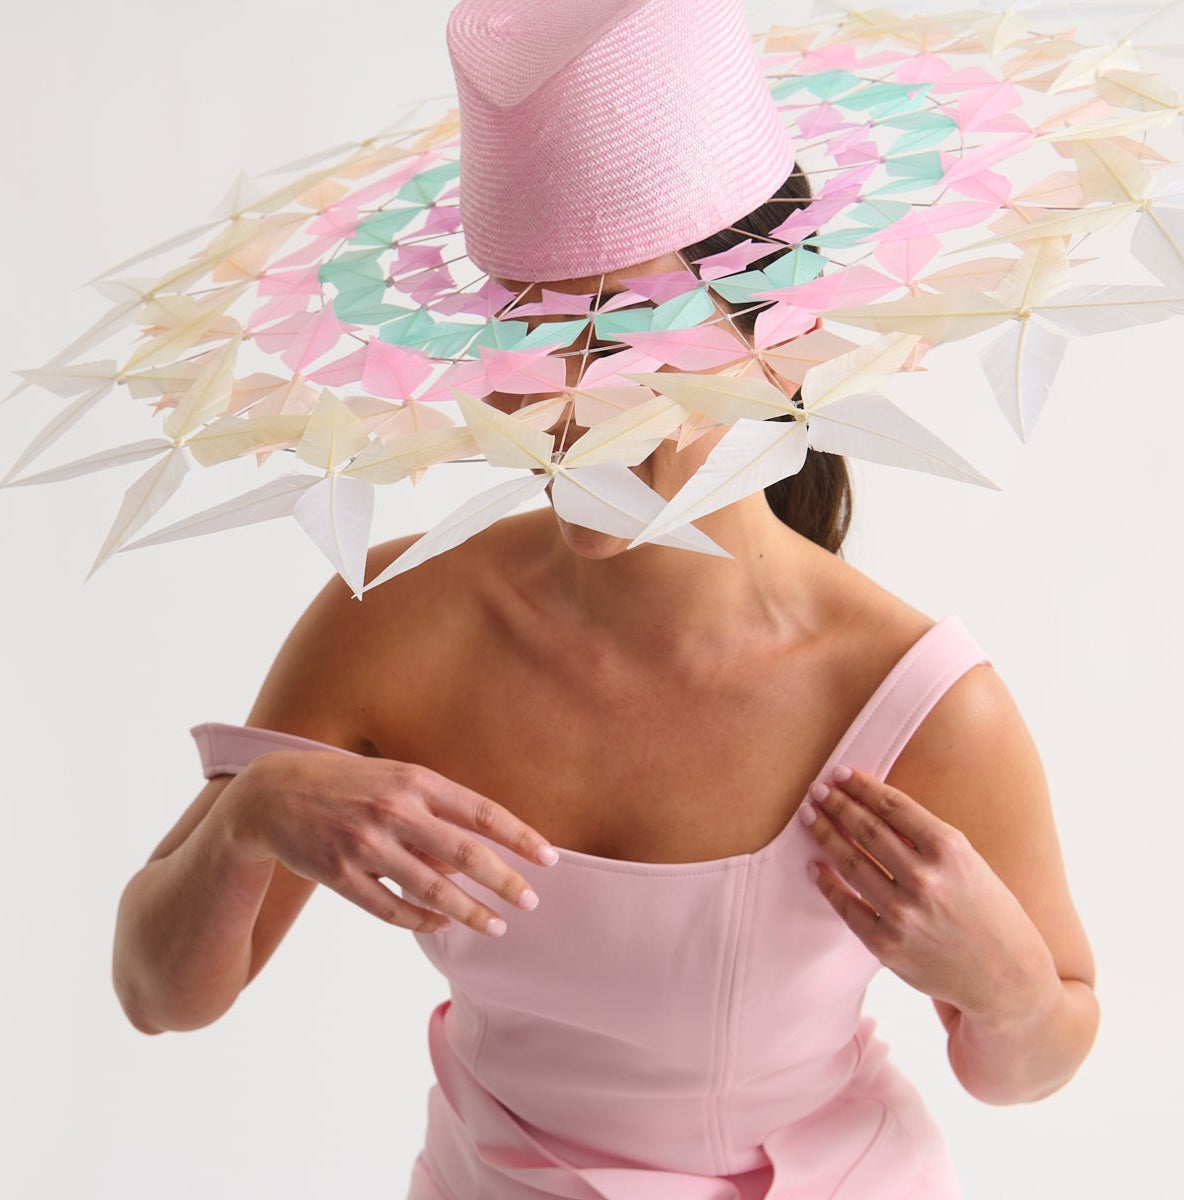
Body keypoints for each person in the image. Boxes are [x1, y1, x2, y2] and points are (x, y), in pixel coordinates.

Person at [111, 3, 1099, 1196]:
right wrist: (250, 814)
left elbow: (1030, 1066)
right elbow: (161, 998)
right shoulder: (393, 619)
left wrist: (1003, 983)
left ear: (780, 338)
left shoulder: (917, 704)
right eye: (533, 333)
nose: (561, 407)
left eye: (624, 331)